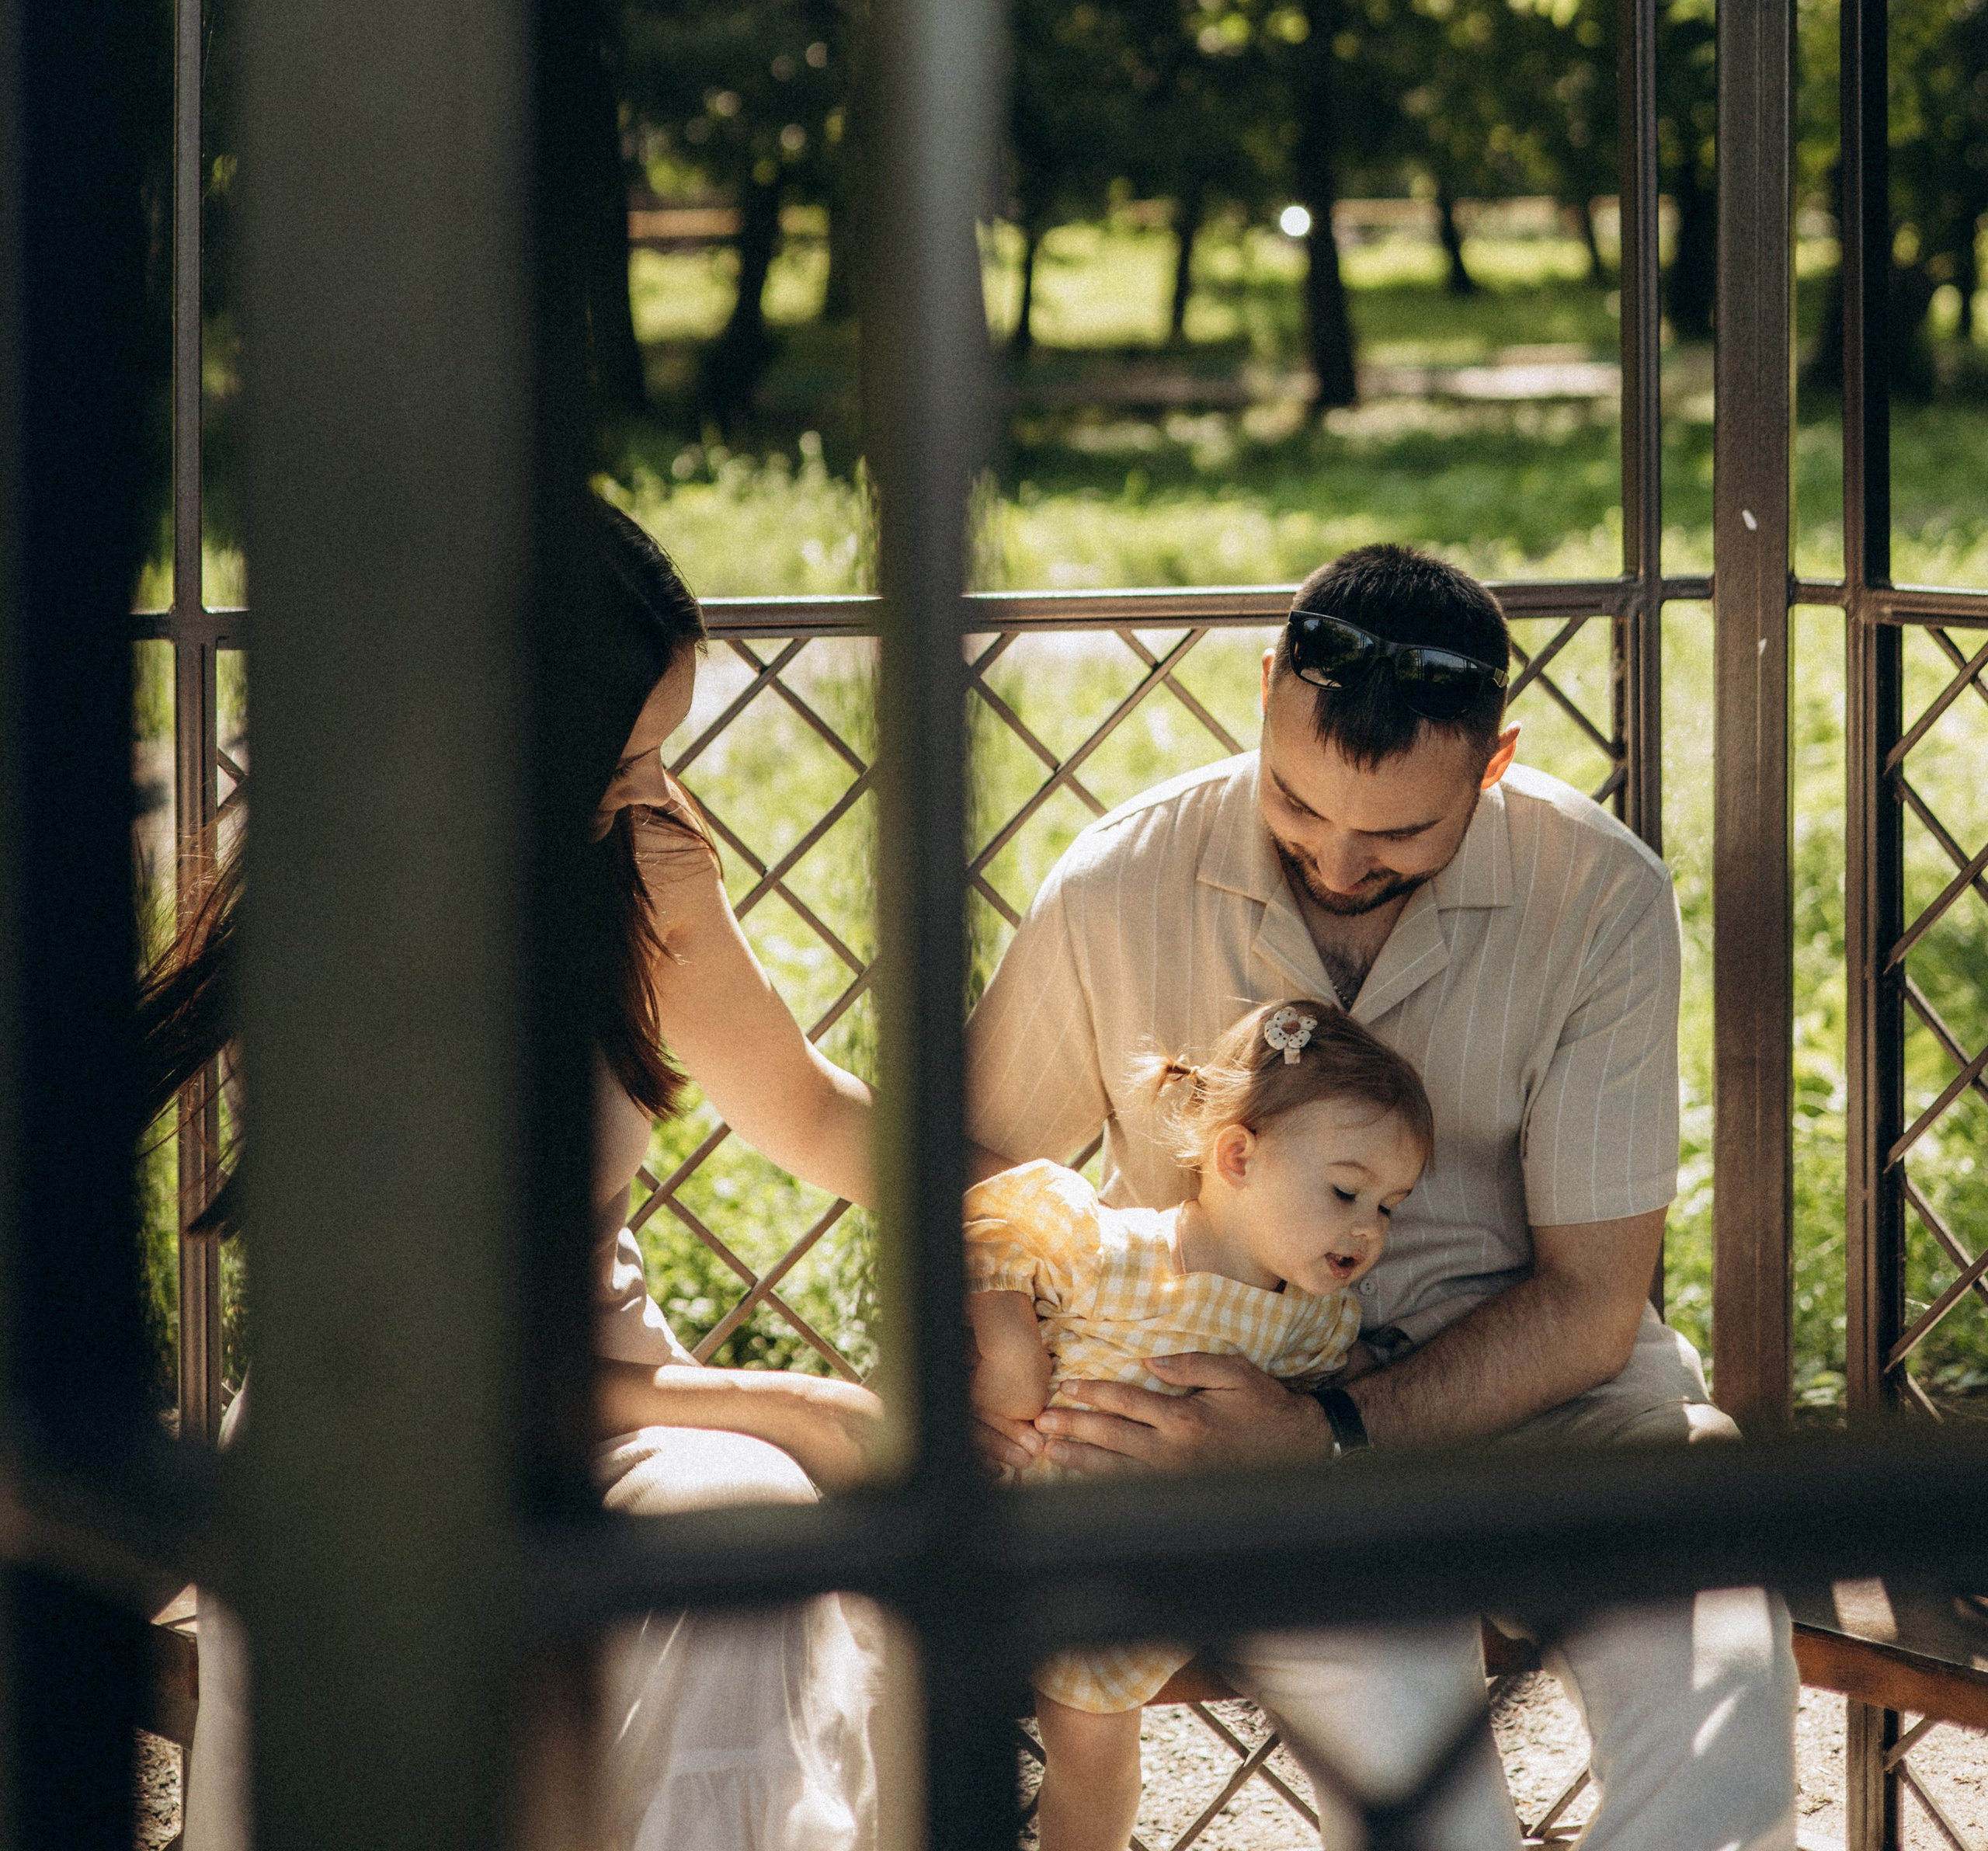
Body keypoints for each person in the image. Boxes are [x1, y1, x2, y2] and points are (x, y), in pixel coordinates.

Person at [965, 541, 1799, 1851]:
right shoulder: (1119, 879)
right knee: (1434, 1806)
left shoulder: (1603, 896)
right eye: (1299, 807)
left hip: (1563, 1413)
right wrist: (1000, 1344)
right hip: (1230, 1451)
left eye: (1402, 830)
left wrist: (1335, 1429)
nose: (1340, 862)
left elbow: (1590, 1306)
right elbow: (969, 1163)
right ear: (1261, 699)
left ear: (1497, 762)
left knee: (1727, 1746)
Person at [142, 494, 885, 1851]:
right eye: (626, 752)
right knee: (751, 1502)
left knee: (737, 1532)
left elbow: (811, 1114)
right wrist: (801, 1408)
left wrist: (1037, 1209)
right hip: (388, 1432)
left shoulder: (636, 862)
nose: (658, 785)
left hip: (624, 1407)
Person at [966, 999, 1430, 1851]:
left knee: (1103, 1753)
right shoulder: (1116, 1251)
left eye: (1390, 1207)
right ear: (1236, 1156)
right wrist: (1006, 1347)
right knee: (1077, 1744)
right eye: (1344, 1191)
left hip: (1178, 1556)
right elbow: (993, 1220)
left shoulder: (1312, 1320)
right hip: (1051, 1532)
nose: (1367, 1229)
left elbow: (1330, 1400)